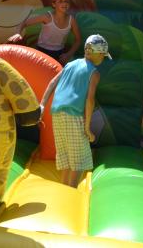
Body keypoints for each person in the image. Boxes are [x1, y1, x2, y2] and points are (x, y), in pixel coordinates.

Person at [40, 34, 110, 188]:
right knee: (79, 162)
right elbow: (90, 100)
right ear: (96, 53)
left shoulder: (70, 65)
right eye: (102, 55)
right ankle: (71, 193)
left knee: (66, 160)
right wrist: (87, 128)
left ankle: (64, 191)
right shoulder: (94, 73)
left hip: (57, 115)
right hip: (73, 116)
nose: (103, 58)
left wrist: (42, 105)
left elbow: (52, 82)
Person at [7, 0, 81, 64]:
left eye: (66, 1)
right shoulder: (47, 17)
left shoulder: (71, 20)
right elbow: (24, 23)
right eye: (60, 1)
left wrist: (68, 54)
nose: (64, 4)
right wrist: (18, 33)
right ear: (54, 4)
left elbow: (78, 40)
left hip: (59, 53)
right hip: (42, 51)